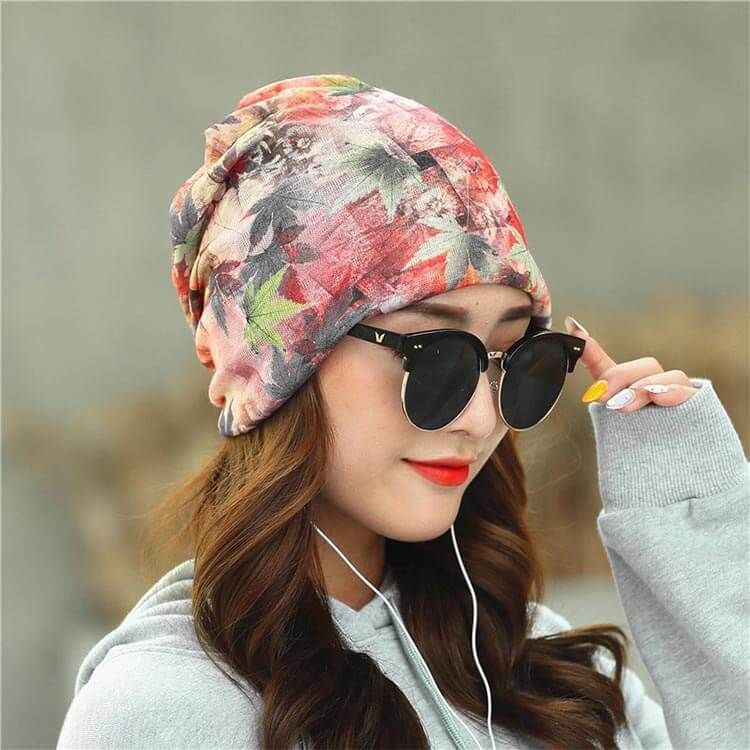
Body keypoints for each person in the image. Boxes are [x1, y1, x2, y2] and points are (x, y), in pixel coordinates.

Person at [57, 73, 749, 750]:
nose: (480, 419)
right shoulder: (166, 710)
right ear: (279, 366)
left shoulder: (542, 671)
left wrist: (691, 521)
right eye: (435, 357)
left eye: (516, 358)